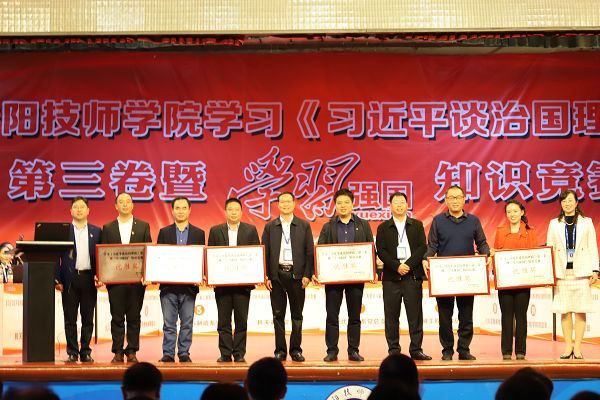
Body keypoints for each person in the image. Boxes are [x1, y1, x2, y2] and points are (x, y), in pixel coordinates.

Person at [422, 185, 491, 361]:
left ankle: (464, 349)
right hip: (444, 277)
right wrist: (425, 258)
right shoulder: (438, 220)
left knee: (466, 316)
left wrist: (487, 255)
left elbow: (482, 243)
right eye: (451, 197)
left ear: (463, 199)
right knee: (445, 316)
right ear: (445, 200)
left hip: (467, 277)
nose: (455, 201)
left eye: (458, 197)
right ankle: (447, 350)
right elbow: (432, 245)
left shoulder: (474, 220)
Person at [317, 188, 374, 362]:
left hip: (356, 277)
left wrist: (372, 270)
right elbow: (321, 252)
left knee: (354, 316)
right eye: (339, 203)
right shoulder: (328, 226)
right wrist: (318, 272)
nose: (343, 206)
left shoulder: (363, 225)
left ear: (352, 204)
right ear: (335, 205)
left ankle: (353, 350)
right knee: (332, 316)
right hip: (333, 278)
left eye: (346, 202)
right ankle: (332, 350)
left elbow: (370, 248)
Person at [376, 192, 430, 360]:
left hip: (412, 277)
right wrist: (397, 266)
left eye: (402, 202)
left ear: (407, 205)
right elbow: (381, 251)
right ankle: (393, 349)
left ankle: (416, 349)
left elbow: (422, 247)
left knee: (415, 316)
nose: (399, 205)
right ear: (390, 206)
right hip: (391, 278)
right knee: (391, 316)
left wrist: (408, 265)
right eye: (395, 202)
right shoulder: (383, 227)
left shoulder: (417, 225)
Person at [100, 192, 152, 363]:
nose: (124, 204)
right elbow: (103, 254)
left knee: (134, 317)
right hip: (115, 281)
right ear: (116, 206)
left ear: (132, 205)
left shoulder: (143, 226)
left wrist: (148, 275)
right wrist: (102, 275)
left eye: (128, 201)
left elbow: (148, 252)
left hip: (136, 281)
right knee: (116, 317)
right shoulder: (108, 228)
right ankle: (117, 351)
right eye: (121, 202)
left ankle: (132, 351)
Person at [262, 191, 314, 362]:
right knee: (278, 315)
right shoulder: (270, 227)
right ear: (277, 205)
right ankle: (280, 350)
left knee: (297, 315)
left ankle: (296, 350)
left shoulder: (304, 225)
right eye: (282, 202)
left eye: (288, 201)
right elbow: (265, 252)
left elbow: (309, 252)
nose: (285, 204)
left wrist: (307, 274)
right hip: (276, 275)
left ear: (294, 204)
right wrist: (267, 275)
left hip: (297, 275)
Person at [547, 189, 598, 359]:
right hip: (562, 273)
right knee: (565, 310)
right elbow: (551, 249)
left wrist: (595, 270)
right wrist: (550, 273)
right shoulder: (554, 223)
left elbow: (592, 246)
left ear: (576, 202)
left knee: (580, 310)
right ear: (560, 204)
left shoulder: (587, 222)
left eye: (570, 200)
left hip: (582, 272)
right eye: (564, 201)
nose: (567, 204)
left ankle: (578, 348)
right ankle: (568, 347)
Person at [207, 198, 260, 363]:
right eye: (230, 209)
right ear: (225, 212)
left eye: (237, 209)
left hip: (242, 285)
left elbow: (256, 254)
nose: (233, 212)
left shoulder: (250, 230)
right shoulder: (215, 231)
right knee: (223, 322)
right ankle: (224, 353)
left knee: (241, 321)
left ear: (241, 212)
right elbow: (210, 256)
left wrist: (257, 274)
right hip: (222, 285)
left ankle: (239, 353)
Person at [156, 196, 205, 363]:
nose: (181, 211)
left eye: (184, 208)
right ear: (172, 210)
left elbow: (201, 259)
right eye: (177, 208)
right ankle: (168, 353)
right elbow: (158, 258)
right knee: (169, 324)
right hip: (168, 287)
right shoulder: (164, 232)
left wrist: (201, 274)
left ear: (190, 210)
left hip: (189, 287)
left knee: (187, 323)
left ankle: (184, 352)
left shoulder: (199, 233)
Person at [54, 196, 102, 362]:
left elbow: (101, 255)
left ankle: (86, 351)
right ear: (71, 211)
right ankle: (72, 352)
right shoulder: (64, 231)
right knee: (70, 318)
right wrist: (57, 279)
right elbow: (56, 257)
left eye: (82, 207)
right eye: (76, 207)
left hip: (89, 278)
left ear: (88, 210)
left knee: (88, 318)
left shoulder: (97, 231)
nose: (79, 210)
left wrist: (101, 276)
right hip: (69, 279)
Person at [492, 200, 538, 360]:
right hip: (505, 281)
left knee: (521, 316)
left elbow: (535, 256)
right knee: (506, 316)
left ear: (522, 212)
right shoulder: (500, 231)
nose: (512, 214)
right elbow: (496, 255)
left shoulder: (530, 232)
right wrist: (493, 254)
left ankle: (520, 351)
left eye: (515, 211)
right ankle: (506, 351)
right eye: (509, 212)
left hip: (523, 280)